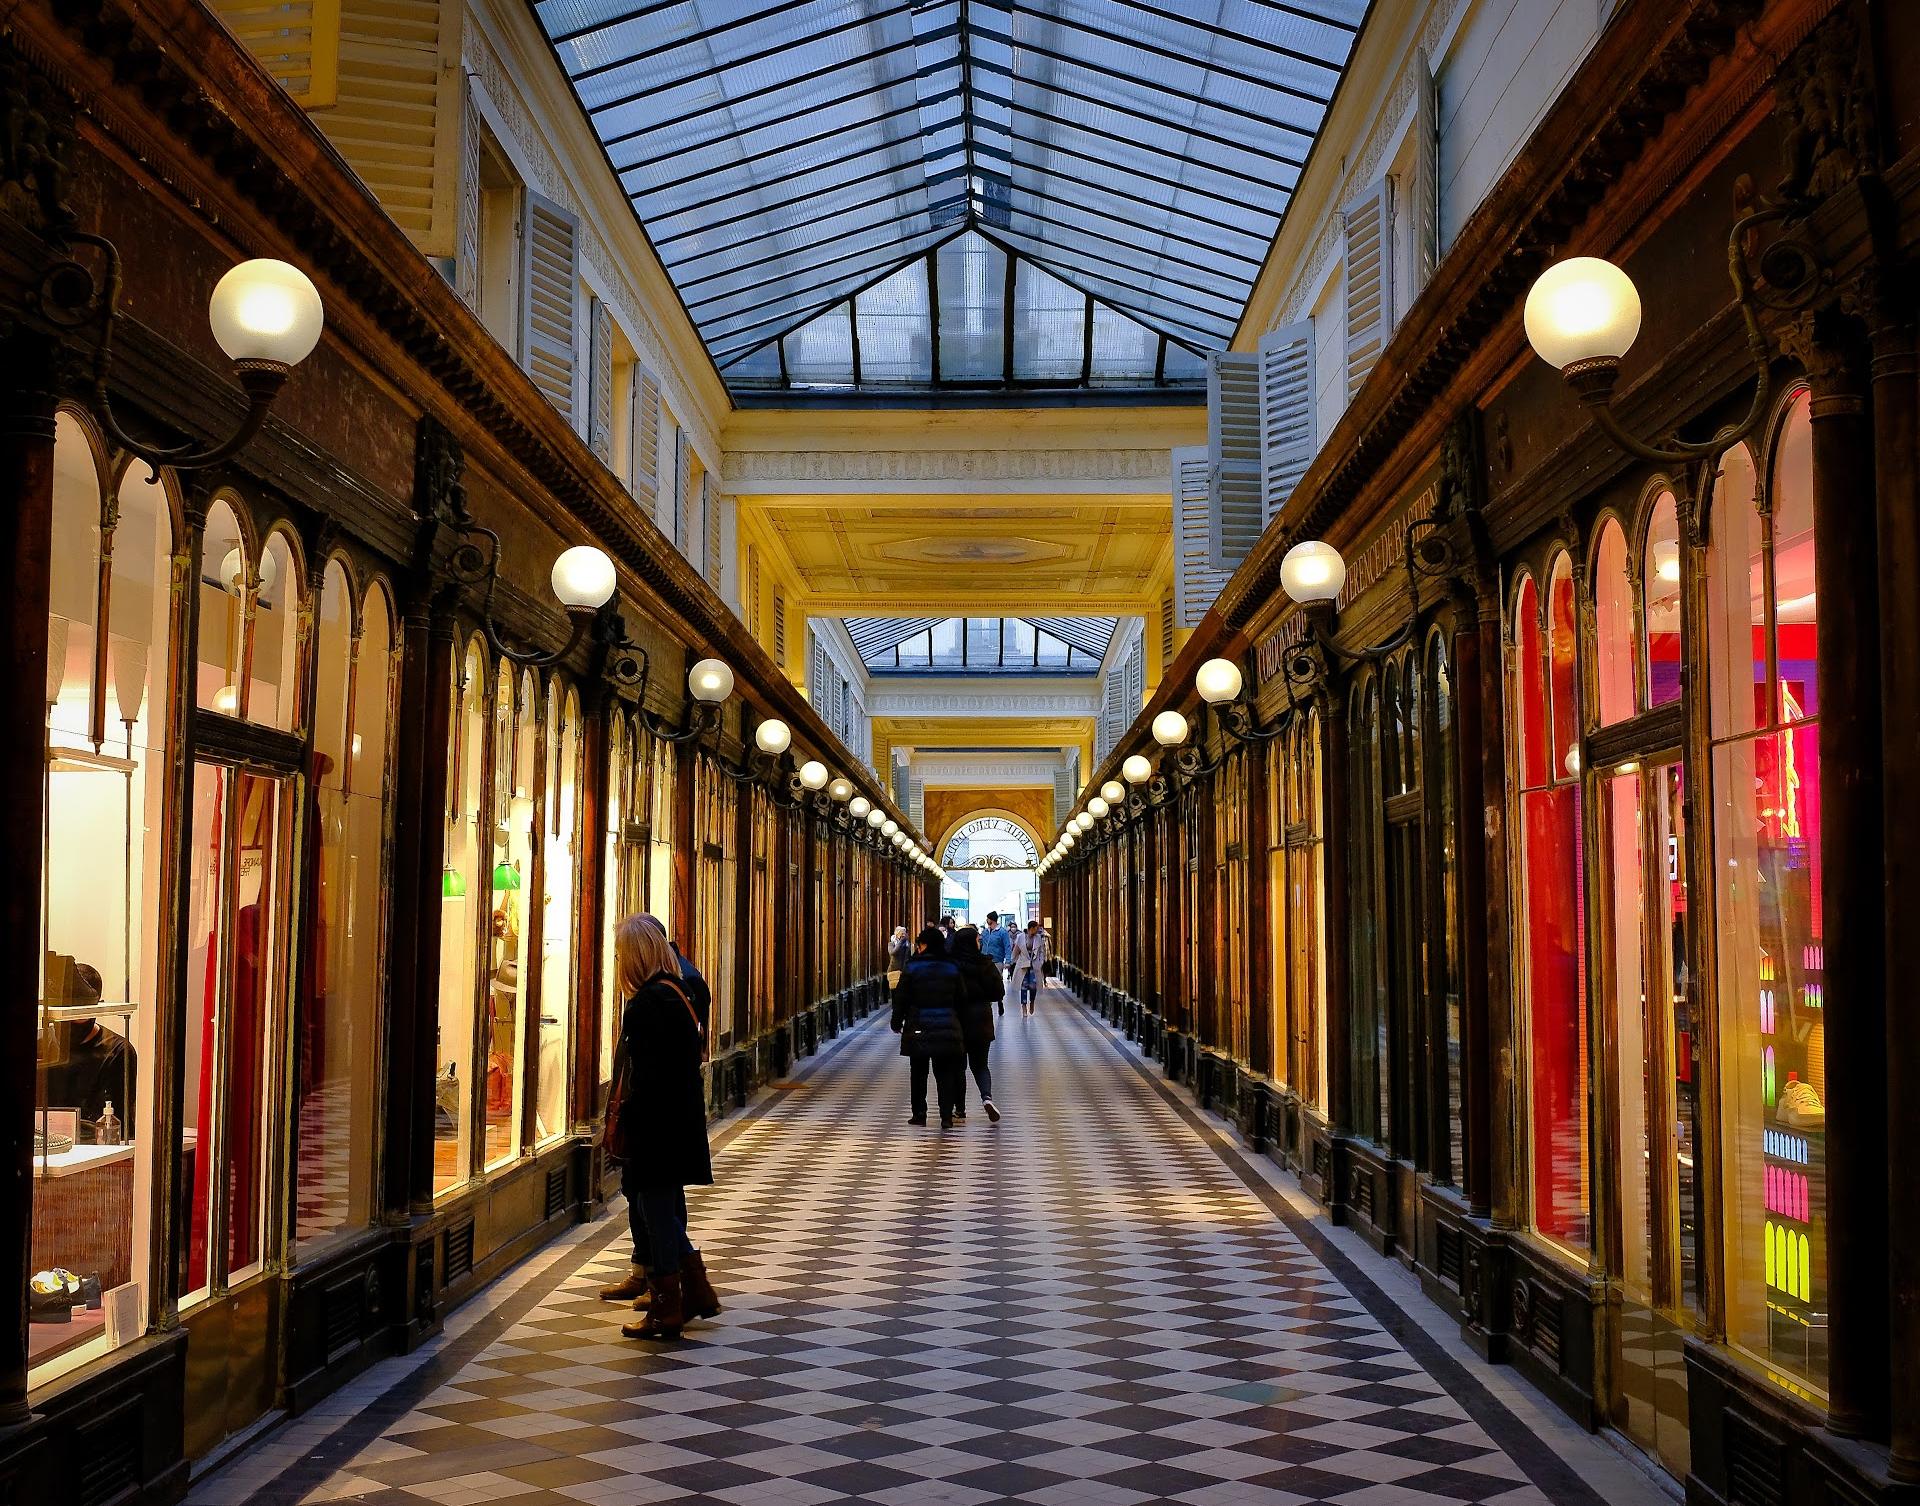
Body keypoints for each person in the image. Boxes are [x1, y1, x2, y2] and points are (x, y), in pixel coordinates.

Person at [601, 914, 722, 1340]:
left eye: (620, 954)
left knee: (657, 1213)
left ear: (634, 957)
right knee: (665, 1211)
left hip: (655, 1126)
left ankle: (668, 1309)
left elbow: (646, 1077)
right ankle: (696, 1292)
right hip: (679, 1120)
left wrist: (626, 1126)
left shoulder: (648, 1004)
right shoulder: (680, 991)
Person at [889, 927, 968, 1128]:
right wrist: (958, 1021)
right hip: (947, 1026)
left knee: (918, 1072)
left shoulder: (913, 967)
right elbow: (962, 998)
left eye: (920, 944)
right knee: (945, 1072)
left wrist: (896, 1022)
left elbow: (901, 997)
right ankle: (946, 1116)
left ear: (924, 945)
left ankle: (919, 1113)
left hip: (918, 1026)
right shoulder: (952, 967)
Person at [949, 926, 1003, 1122]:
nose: (980, 943)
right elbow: (999, 993)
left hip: (957, 1020)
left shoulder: (952, 965)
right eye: (978, 940)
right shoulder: (985, 964)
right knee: (981, 1065)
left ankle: (960, 1110)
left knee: (958, 1066)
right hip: (981, 1018)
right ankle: (987, 1098)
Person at [1012, 920, 1051, 1015]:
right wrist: (1014, 961)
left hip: (1034, 965)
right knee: (1024, 986)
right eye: (1036, 928)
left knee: (1033, 986)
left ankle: (1032, 1002)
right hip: (1023, 964)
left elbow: (1041, 951)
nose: (1037, 930)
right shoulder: (1020, 937)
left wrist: (1040, 962)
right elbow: (1016, 950)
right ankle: (1024, 1006)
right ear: (1031, 928)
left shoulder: (1038, 938)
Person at [980, 913, 1012, 1010]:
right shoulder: (985, 932)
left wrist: (1008, 961)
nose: (987, 920)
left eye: (988, 919)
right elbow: (980, 943)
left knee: (996, 981)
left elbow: (1007, 946)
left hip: (997, 961)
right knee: (986, 982)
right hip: (985, 961)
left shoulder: (1002, 932)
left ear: (992, 920)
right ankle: (988, 1003)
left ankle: (999, 1000)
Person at [887, 925, 912, 994]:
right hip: (894, 969)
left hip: (904, 970)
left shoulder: (907, 944)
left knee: (903, 991)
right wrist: (900, 942)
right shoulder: (891, 944)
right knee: (894, 990)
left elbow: (908, 956)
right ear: (897, 934)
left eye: (904, 933)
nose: (903, 935)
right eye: (902, 933)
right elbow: (893, 953)